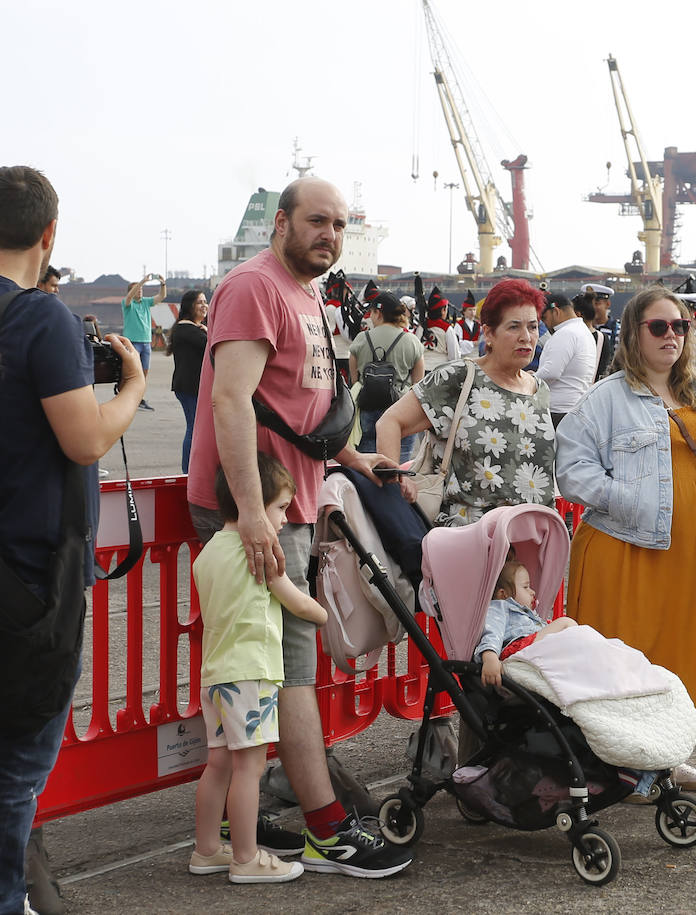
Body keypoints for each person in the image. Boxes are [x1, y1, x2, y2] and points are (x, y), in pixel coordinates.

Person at [185, 176, 412, 879]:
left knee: (280, 664)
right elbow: (231, 400)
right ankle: (326, 828)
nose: (331, 235)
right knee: (289, 667)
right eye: (318, 221)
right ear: (280, 222)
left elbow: (300, 405)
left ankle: (240, 821)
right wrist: (251, 514)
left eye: (340, 225)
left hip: (288, 502)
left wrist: (353, 456)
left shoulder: (309, 292)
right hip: (256, 507)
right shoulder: (254, 287)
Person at [0, 165, 145, 915]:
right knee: (17, 772)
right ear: (48, 234)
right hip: (29, 585)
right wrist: (130, 389)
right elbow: (84, 440)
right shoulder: (40, 319)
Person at [556, 288, 696, 792]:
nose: (671, 335)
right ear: (633, 333)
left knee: (685, 655)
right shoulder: (605, 398)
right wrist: (630, 499)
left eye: (680, 326)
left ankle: (667, 757)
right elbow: (571, 471)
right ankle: (622, 763)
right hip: (628, 549)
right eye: (658, 327)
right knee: (629, 658)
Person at [190, 456, 327, 884]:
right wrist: (324, 615)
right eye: (281, 508)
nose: (285, 520)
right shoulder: (260, 552)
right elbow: (298, 603)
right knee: (249, 767)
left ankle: (206, 849)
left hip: (215, 675)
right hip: (251, 673)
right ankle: (247, 859)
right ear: (252, 504)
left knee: (218, 765)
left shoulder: (208, 552)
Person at [378, 278, 557, 527]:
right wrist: (394, 479)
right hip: (470, 537)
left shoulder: (541, 390)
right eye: (514, 327)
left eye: (533, 326)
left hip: (533, 533)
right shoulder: (459, 378)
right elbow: (389, 421)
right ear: (489, 333)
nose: (526, 337)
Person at [475, 560, 577, 688]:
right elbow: (492, 631)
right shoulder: (499, 606)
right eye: (525, 587)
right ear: (503, 594)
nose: (532, 592)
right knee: (565, 623)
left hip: (531, 649)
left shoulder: (528, 614)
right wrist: (490, 656)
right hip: (517, 651)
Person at [350, 291, 425, 462]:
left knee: (367, 466)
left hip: (366, 408)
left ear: (378, 313)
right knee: (398, 467)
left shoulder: (362, 339)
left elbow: (354, 380)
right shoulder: (412, 341)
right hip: (401, 410)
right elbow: (418, 384)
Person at [534, 292, 596, 428]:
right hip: (575, 409)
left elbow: (551, 373)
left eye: (544, 318)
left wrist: (528, 379)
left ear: (555, 311)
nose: (545, 324)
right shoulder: (583, 331)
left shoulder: (566, 333)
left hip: (557, 412)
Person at [168, 289, 209, 473]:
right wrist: (209, 331)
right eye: (199, 302)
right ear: (189, 306)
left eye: (205, 301)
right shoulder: (186, 329)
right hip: (190, 387)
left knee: (196, 428)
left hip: (193, 387)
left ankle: (192, 469)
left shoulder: (194, 328)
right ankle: (188, 471)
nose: (204, 306)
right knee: (194, 429)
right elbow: (213, 346)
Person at [122, 272, 165, 412]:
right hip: (132, 342)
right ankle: (124, 395)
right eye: (137, 290)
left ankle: (139, 398)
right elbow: (129, 297)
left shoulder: (146, 302)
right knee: (130, 371)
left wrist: (163, 284)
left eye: (141, 290)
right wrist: (142, 282)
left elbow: (161, 297)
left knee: (144, 372)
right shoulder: (127, 303)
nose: (140, 291)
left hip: (146, 342)